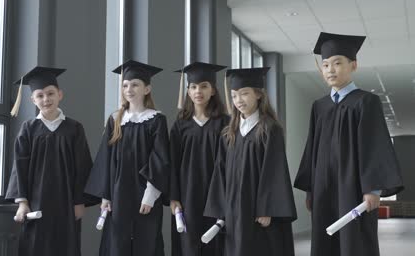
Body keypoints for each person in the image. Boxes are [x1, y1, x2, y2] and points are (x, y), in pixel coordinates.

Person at [294, 32, 404, 256]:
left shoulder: (365, 101)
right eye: (325, 65)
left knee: (355, 241)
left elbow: (375, 146)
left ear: (353, 65)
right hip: (323, 189)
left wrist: (372, 189)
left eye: (337, 63)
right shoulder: (319, 106)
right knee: (325, 240)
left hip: (353, 189)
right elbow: (312, 149)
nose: (330, 70)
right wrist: (310, 189)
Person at [204, 67, 297, 256]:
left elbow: (275, 171)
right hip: (234, 210)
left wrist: (267, 208)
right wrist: (222, 209)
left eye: (244, 94)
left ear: (258, 94)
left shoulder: (270, 129)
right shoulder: (229, 134)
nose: (239, 100)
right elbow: (220, 172)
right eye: (234, 95)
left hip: (258, 212)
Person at [85, 60, 170, 256]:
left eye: (135, 84)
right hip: (118, 193)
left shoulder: (156, 120)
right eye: (125, 85)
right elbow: (105, 160)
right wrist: (106, 195)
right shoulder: (115, 120)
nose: (129, 89)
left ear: (147, 88)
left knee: (146, 241)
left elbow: (160, 158)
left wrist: (151, 195)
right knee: (117, 243)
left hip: (146, 192)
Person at [6, 66, 93, 256]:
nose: (46, 99)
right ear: (32, 100)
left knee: (65, 246)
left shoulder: (74, 128)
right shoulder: (28, 128)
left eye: (50, 93)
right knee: (35, 246)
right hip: (36, 202)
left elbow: (82, 166)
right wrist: (23, 202)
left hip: (66, 202)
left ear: (60, 94)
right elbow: (19, 166)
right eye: (40, 95)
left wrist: (79, 202)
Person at [170, 62, 229, 256]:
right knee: (189, 245)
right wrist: (174, 197)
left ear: (213, 90)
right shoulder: (180, 125)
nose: (198, 91)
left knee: (217, 243)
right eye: (193, 87)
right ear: (187, 91)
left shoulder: (225, 123)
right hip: (188, 195)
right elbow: (172, 163)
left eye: (204, 86)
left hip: (217, 193)